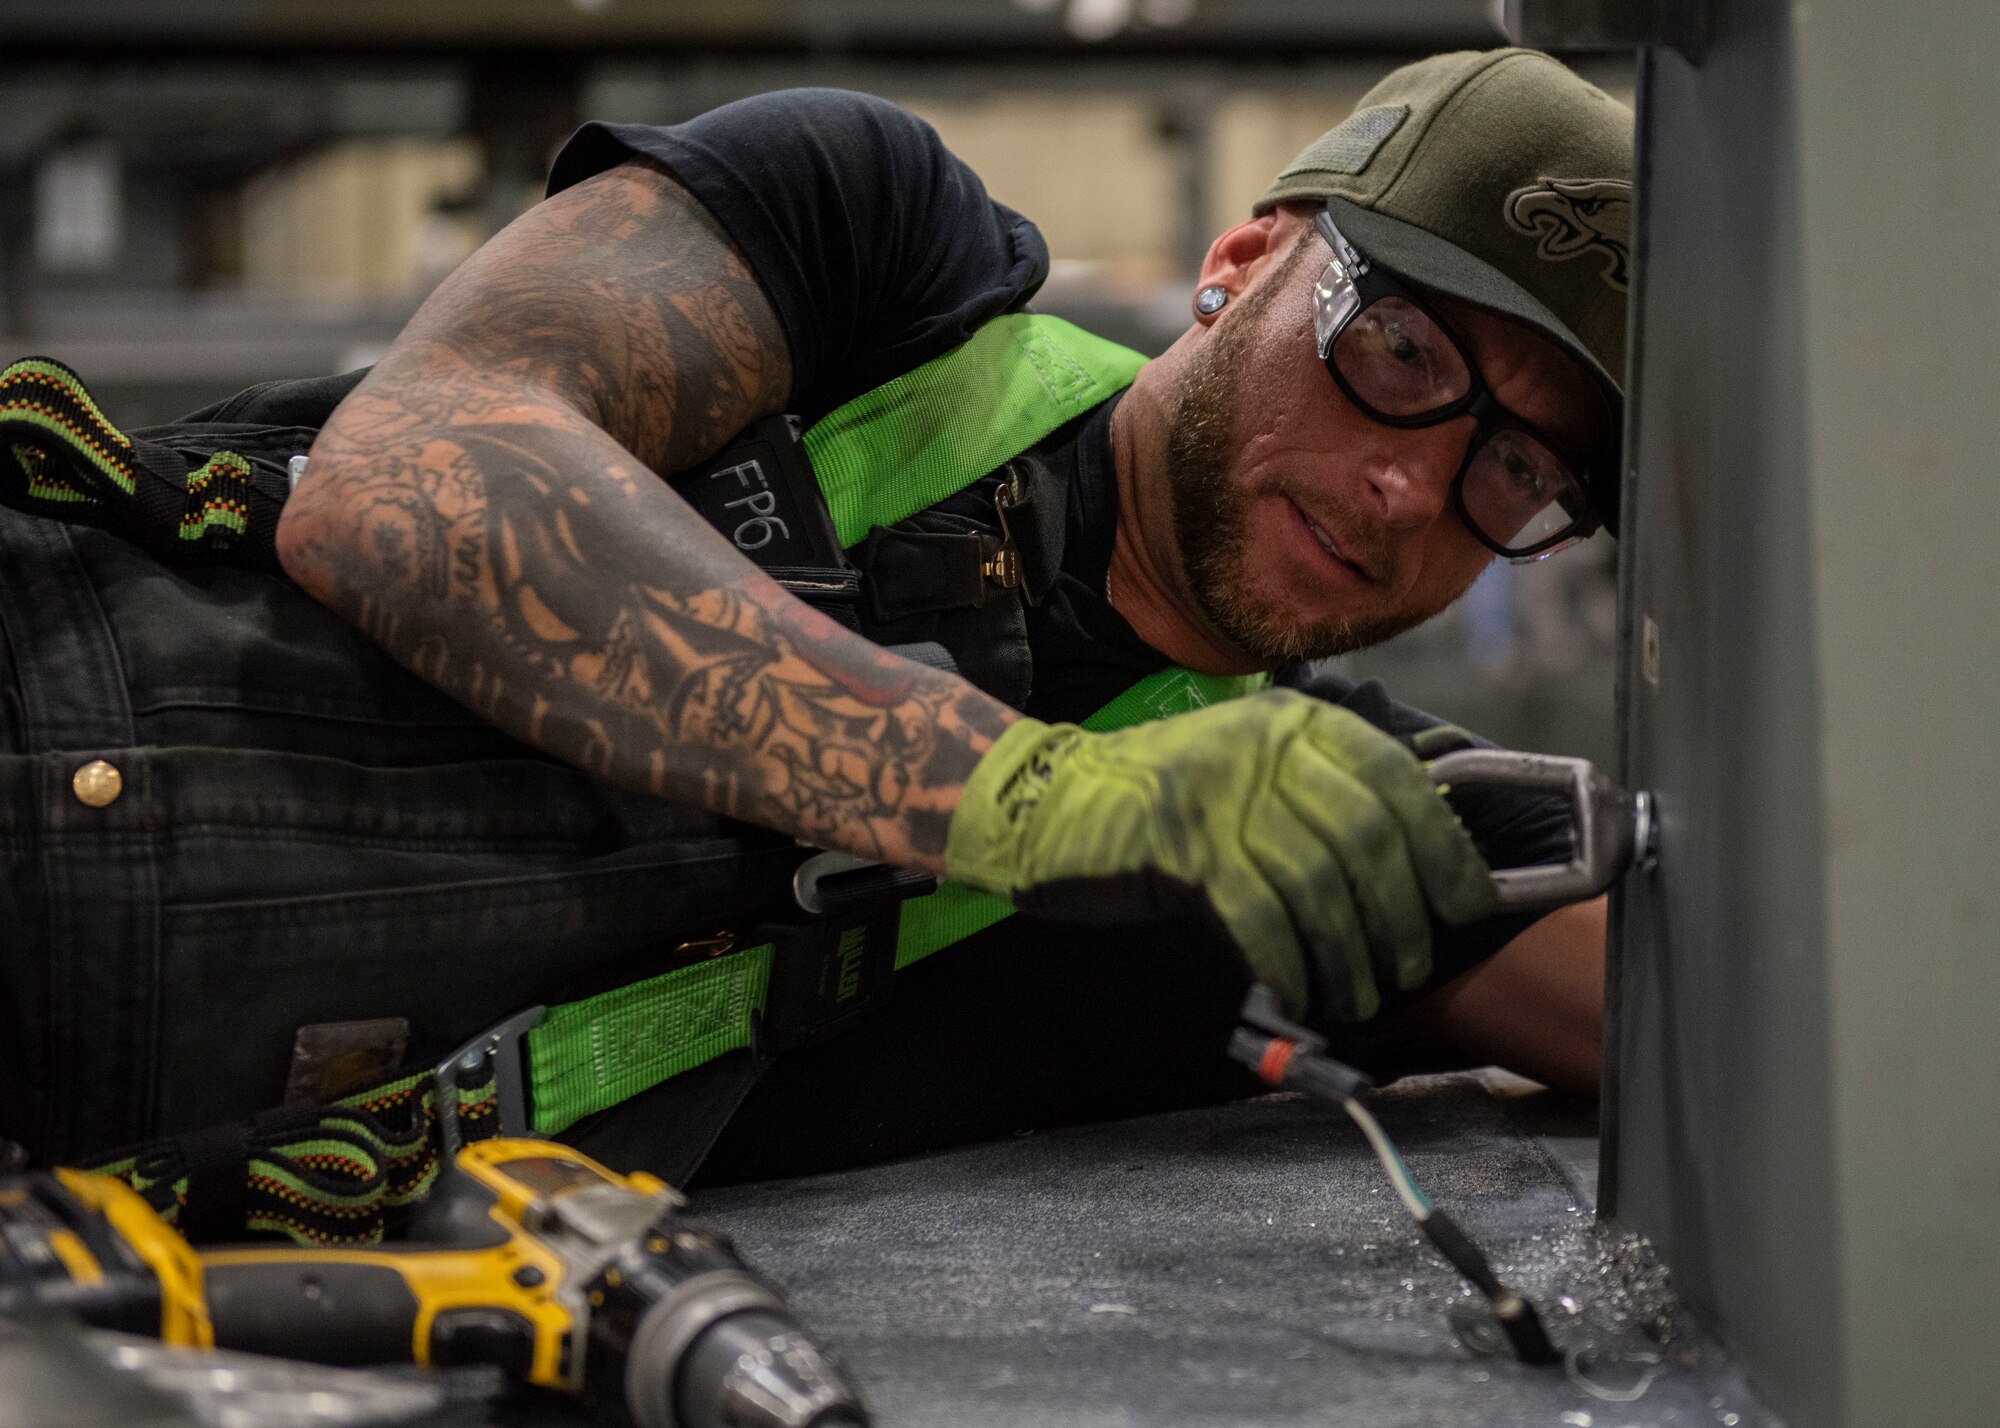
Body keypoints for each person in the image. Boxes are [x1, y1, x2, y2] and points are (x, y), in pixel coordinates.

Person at [0, 48, 1630, 1205]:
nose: (1415, 491)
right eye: (1401, 350)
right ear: (1244, 257)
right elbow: (421, 477)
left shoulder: (1323, 844)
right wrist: (1031, 798)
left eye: (1515, 470)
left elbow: (1782, 1060)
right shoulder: (878, 255)